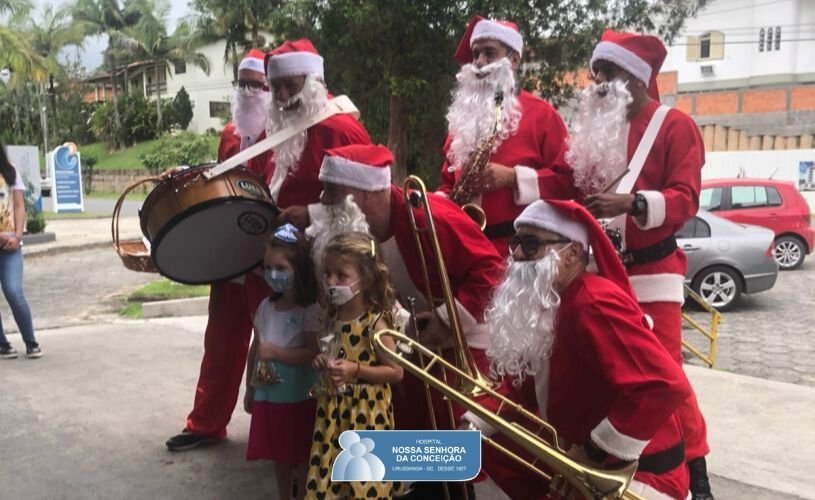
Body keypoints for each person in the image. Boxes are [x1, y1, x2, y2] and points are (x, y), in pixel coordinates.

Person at [312, 144, 504, 499]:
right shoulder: (359, 232)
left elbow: (491, 270)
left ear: (368, 193)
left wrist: (448, 320)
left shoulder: (430, 218)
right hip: (412, 347)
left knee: (448, 452)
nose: (322, 200)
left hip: (462, 346)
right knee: (413, 451)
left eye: (333, 190)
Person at [466, 199, 693, 500]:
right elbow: (526, 388)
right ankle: (394, 468)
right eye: (516, 243)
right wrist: (473, 422)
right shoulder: (554, 301)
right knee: (461, 453)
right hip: (585, 454)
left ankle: (391, 468)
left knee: (465, 458)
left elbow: (664, 386)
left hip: (636, 475)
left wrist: (592, 454)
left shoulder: (593, 302)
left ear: (572, 253)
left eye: (531, 244)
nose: (518, 254)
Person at [570, 29, 712, 500]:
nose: (599, 83)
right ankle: (621, 454)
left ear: (634, 76)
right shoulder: (595, 130)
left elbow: (685, 200)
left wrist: (630, 204)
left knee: (665, 372)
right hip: (600, 269)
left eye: (608, 72)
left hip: (652, 272)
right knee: (612, 367)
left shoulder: (674, 125)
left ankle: (693, 466)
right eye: (597, 73)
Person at [165, 49, 275, 451]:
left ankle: (274, 426)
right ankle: (206, 424)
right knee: (221, 342)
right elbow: (217, 183)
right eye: (243, 83)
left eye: (257, 85)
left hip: (268, 258)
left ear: (269, 88)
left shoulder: (283, 130)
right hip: (228, 256)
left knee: (276, 340)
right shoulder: (230, 134)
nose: (249, 91)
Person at [437, 15, 575, 256]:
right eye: (476, 54)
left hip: (521, 253)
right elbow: (446, 183)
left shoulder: (543, 115)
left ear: (513, 59)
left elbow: (568, 184)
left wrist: (513, 178)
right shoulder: (460, 121)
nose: (479, 61)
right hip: (464, 249)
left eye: (489, 53)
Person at [305, 231, 404, 499]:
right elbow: (333, 353)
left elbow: (395, 372)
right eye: (327, 273)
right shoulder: (330, 316)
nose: (331, 282)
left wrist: (355, 370)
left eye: (341, 275)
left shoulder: (374, 322)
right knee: (330, 480)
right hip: (333, 413)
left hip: (367, 415)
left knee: (364, 484)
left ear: (366, 278)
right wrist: (322, 362)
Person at [244, 224, 320, 500]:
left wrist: (277, 353)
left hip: (298, 394)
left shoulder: (309, 311)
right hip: (269, 394)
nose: (272, 275)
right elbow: (256, 347)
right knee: (278, 453)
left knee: (300, 450)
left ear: (299, 270)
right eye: (268, 268)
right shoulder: (265, 306)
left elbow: (312, 354)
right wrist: (249, 388)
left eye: (281, 268)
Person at [263, 38, 372, 228]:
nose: (282, 97)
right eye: (275, 87)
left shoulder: (340, 130)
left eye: (291, 86)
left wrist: (311, 215)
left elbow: (369, 199)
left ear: (313, 83)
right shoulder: (277, 129)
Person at [0, 142, 41, 360]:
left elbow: (18, 205)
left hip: (11, 246)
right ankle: (3, 344)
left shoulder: (11, 171)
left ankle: (31, 341)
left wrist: (17, 236)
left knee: (14, 292)